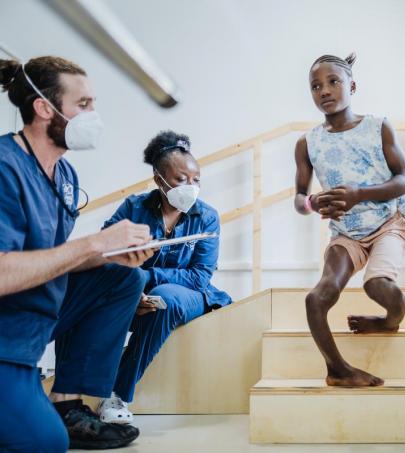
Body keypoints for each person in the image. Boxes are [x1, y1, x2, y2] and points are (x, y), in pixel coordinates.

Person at [0, 55, 155, 451]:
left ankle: (66, 402)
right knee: (43, 443)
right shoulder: (5, 167)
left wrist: (109, 254)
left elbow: (54, 256)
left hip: (38, 315)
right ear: (43, 108)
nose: (94, 115)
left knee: (124, 278)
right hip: (7, 329)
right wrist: (93, 244)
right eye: (83, 105)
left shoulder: (65, 175)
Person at [294, 53, 405, 387]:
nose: (324, 91)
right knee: (316, 298)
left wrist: (360, 193)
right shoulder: (307, 143)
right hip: (345, 234)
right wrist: (312, 201)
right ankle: (337, 370)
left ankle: (389, 321)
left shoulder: (377, 126)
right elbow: (299, 199)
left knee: (377, 285)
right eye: (315, 86)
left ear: (352, 86)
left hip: (387, 223)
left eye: (333, 82)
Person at [96, 131, 231, 423]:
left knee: (165, 298)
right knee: (93, 298)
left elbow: (199, 277)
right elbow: (104, 254)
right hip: (134, 295)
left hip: (192, 297)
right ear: (159, 180)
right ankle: (70, 392)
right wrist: (131, 290)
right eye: (182, 180)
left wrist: (143, 279)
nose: (191, 187)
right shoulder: (133, 208)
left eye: (196, 180)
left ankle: (115, 395)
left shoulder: (207, 216)